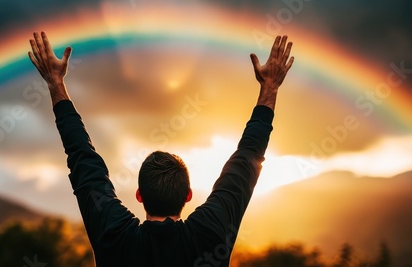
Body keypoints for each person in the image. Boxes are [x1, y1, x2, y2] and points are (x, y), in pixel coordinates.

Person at [28, 32, 294, 267]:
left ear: (139, 195)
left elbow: (83, 160)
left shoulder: (114, 236)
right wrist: (270, 87)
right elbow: (247, 161)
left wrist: (55, 82)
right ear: (188, 195)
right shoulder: (209, 234)